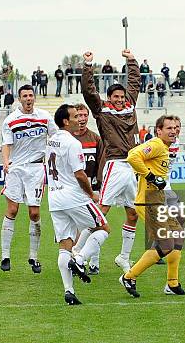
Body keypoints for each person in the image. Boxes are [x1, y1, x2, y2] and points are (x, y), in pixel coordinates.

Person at [82, 49, 141, 273]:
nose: (119, 100)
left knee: (133, 213)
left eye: (121, 96)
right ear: (109, 98)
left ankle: (124, 257)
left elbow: (135, 82)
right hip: (115, 164)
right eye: (115, 97)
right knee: (102, 211)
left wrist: (132, 61)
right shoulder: (102, 110)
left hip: (133, 166)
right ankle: (79, 253)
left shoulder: (131, 105)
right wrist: (88, 66)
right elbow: (88, 91)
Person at [46, 105, 108, 305]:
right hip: (73, 196)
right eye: (74, 117)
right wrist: (91, 195)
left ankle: (69, 291)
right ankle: (80, 260)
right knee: (103, 227)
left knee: (65, 245)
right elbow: (80, 174)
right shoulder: (72, 143)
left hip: (54, 198)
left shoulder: (51, 140)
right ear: (65, 121)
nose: (79, 120)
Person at [120, 115, 185, 298]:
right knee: (166, 244)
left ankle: (172, 283)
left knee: (178, 235)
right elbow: (133, 156)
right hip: (148, 201)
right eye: (169, 128)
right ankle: (129, 276)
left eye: (176, 128)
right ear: (158, 130)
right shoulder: (156, 144)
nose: (173, 131)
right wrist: (150, 177)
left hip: (158, 199)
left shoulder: (164, 147)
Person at [0, 85, 58, 273]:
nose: (28, 98)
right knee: (12, 209)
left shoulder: (45, 117)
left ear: (34, 98)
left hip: (35, 168)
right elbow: (6, 145)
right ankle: (5, 256)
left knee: (34, 213)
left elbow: (56, 137)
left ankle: (34, 257)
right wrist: (6, 162)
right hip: (16, 168)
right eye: (24, 96)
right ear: (19, 99)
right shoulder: (10, 120)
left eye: (31, 95)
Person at [70, 103, 105, 274]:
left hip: (93, 190)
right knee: (79, 228)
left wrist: (98, 187)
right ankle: (79, 259)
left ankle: (93, 262)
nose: (82, 119)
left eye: (85, 115)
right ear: (73, 118)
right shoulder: (67, 138)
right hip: (72, 190)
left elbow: (100, 164)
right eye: (78, 116)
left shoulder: (95, 138)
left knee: (94, 225)